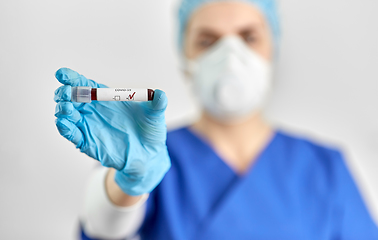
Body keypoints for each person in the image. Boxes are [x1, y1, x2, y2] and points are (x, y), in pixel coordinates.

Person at [54, 0, 378, 239]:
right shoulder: (147, 151)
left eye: (248, 37)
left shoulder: (323, 168)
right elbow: (101, 231)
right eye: (207, 41)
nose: (230, 57)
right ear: (184, 57)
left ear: (273, 49)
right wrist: (126, 184)